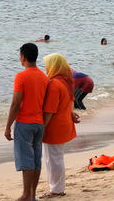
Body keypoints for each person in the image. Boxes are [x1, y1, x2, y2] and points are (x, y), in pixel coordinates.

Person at [4, 43, 49, 201]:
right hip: (39, 123)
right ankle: (32, 195)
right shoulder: (44, 76)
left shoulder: (21, 76)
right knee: (36, 159)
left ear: (23, 57)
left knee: (26, 160)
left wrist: (8, 126)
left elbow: (15, 104)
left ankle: (26, 194)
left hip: (24, 122)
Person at [42, 53, 80, 197]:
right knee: (55, 157)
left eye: (48, 65)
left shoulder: (54, 84)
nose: (46, 68)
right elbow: (67, 103)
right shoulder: (65, 81)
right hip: (64, 124)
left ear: (54, 67)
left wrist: (41, 127)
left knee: (53, 159)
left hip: (54, 127)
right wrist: (71, 114)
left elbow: (50, 110)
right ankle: (56, 187)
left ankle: (57, 189)